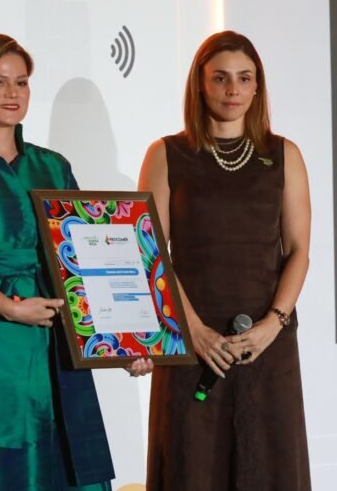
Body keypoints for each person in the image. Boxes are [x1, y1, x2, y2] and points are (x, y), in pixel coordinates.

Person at [0, 33, 152, 491]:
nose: (12, 93)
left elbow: (86, 258)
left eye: (21, 82)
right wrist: (7, 306)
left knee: (58, 458)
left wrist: (126, 341)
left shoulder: (54, 166)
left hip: (53, 336)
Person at [140, 30, 312, 490]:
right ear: (200, 84)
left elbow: (298, 250)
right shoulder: (166, 154)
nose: (233, 89)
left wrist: (273, 323)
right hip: (192, 343)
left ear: (257, 86)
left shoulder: (284, 155)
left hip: (267, 343)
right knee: (193, 468)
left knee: (269, 469)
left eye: (244, 77)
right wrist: (194, 331)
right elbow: (150, 253)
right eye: (220, 77)